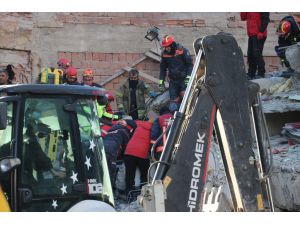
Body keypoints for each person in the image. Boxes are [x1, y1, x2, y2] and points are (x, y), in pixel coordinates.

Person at [159, 35, 193, 111]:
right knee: (173, 105)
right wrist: (161, 82)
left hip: (184, 80)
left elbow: (190, 65)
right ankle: (175, 119)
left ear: (172, 44)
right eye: (165, 47)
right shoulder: (164, 54)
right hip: (173, 82)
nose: (166, 48)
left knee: (186, 101)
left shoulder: (182, 51)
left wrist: (188, 78)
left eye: (168, 46)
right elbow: (162, 69)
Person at [123, 120, 153, 201]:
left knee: (129, 176)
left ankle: (129, 196)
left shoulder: (139, 124)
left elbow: (128, 122)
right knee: (144, 176)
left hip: (129, 152)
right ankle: (143, 197)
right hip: (142, 153)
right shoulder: (153, 129)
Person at [103, 119, 137, 187]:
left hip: (102, 149)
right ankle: (111, 192)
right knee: (111, 172)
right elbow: (127, 148)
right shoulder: (123, 132)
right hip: (111, 152)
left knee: (104, 170)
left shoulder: (110, 131)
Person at [240, 12, 270, 79]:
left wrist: (261, 31)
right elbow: (243, 18)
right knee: (250, 54)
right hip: (251, 34)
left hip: (259, 34)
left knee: (256, 54)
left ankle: (261, 73)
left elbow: (266, 18)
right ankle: (251, 74)